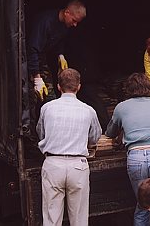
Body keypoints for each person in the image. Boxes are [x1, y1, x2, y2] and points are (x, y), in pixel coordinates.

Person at [36, 68, 101, 226]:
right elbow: (95, 137)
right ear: (79, 87)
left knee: (52, 217)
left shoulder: (47, 108)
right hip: (78, 166)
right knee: (79, 218)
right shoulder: (89, 110)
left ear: (58, 87)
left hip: (53, 164)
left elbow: (41, 132)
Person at [105, 73, 150, 226]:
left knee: (143, 203)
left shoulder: (121, 107)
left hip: (136, 156)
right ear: (149, 87)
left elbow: (110, 133)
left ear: (128, 89)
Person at [27, 0, 87, 102]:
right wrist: (37, 77)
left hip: (41, 60)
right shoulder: (45, 21)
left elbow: (60, 41)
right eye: (74, 20)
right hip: (28, 61)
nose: (75, 25)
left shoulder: (64, 25)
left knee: (49, 96)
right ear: (67, 13)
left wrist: (60, 55)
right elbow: (33, 49)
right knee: (32, 97)